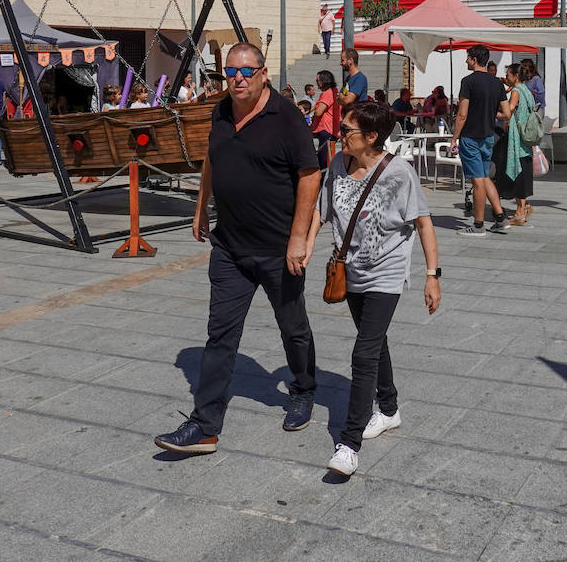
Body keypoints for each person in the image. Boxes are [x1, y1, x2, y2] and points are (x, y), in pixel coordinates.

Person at [154, 43, 322, 456]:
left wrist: (299, 237)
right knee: (220, 335)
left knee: (293, 327)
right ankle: (205, 425)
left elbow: (310, 175)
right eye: (231, 72)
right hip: (230, 247)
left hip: (278, 248)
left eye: (247, 71)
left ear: (263, 73)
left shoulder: (286, 117)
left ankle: (303, 389)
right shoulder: (221, 112)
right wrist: (201, 206)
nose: (238, 78)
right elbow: (212, 159)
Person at [307, 100, 439, 477]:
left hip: (387, 274)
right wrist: (305, 243)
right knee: (375, 341)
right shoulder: (338, 164)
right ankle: (390, 409)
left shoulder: (400, 174)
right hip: (351, 272)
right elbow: (321, 210)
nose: (339, 135)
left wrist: (432, 275)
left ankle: (349, 444)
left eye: (347, 130)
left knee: (363, 353)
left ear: (371, 136)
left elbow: (424, 223)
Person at [450, 45, 510, 236]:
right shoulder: (497, 83)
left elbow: (462, 114)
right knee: (484, 177)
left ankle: (478, 225)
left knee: (477, 181)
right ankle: (500, 218)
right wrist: (491, 113)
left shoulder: (468, 81)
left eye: (468, 57)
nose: (466, 61)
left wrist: (454, 138)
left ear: (474, 59)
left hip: (471, 137)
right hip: (488, 136)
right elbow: (507, 113)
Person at [493, 62, 535, 225]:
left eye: (508, 75)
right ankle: (522, 208)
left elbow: (508, 112)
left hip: (516, 138)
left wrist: (492, 112)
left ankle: (520, 212)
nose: (506, 78)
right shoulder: (527, 91)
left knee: (516, 172)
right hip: (526, 138)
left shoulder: (516, 91)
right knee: (523, 171)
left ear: (516, 76)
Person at [311, 69, 340, 168]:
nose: (316, 83)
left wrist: (314, 114)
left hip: (326, 129)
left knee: (323, 160)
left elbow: (319, 112)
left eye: (317, 80)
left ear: (324, 80)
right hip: (331, 128)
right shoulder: (334, 91)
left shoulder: (327, 93)